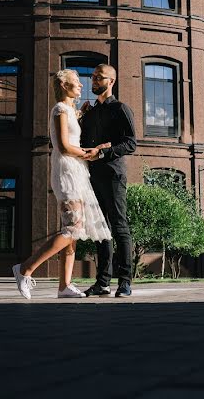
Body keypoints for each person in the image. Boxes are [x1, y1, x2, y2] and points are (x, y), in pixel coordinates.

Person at [11, 69, 112, 299]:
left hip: (76, 171)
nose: (81, 86)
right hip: (67, 172)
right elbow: (64, 146)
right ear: (65, 86)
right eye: (77, 83)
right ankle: (25, 269)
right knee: (72, 228)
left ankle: (64, 286)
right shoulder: (59, 109)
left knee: (73, 232)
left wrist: (80, 115)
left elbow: (70, 133)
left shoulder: (68, 111)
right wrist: (91, 153)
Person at [79, 64, 137, 298]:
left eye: (99, 77)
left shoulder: (121, 108)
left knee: (119, 227)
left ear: (111, 81)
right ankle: (102, 283)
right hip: (92, 176)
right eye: (92, 77)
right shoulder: (90, 112)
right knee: (100, 229)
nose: (94, 81)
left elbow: (131, 143)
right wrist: (80, 117)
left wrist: (105, 151)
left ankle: (125, 282)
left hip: (113, 174)